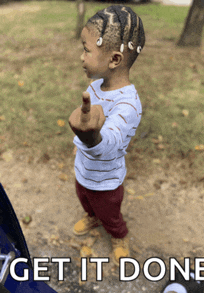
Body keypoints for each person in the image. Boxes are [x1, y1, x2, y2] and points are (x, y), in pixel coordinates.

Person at [68, 5, 145, 266]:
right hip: (84, 171)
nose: (81, 56)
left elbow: (109, 144)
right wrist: (79, 143)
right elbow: (87, 120)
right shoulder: (96, 85)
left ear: (114, 60)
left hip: (106, 183)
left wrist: (90, 138)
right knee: (84, 199)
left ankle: (118, 235)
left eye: (87, 49)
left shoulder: (129, 106)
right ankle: (91, 217)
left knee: (110, 214)